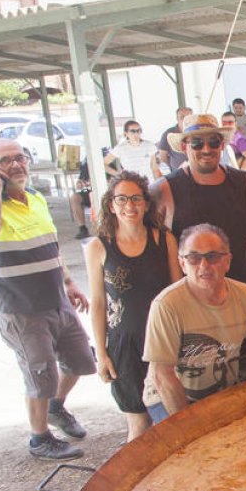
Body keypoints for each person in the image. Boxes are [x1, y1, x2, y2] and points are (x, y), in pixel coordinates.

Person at [0, 139, 96, 460]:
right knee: (40, 375)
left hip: (57, 300)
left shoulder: (36, 199)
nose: (15, 164)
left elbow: (51, 246)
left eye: (19, 158)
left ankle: (55, 407)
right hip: (22, 309)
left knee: (82, 360)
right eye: (5, 160)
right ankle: (40, 438)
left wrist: (69, 283)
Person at [142, 224, 246, 421]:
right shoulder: (167, 305)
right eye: (193, 258)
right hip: (167, 396)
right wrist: (187, 425)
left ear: (227, 261)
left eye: (212, 256)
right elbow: (161, 375)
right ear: (182, 264)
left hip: (222, 391)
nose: (203, 266)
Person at [84, 173, 181, 441]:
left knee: (173, 419)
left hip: (163, 342)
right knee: (139, 424)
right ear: (111, 205)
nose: (130, 206)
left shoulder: (165, 240)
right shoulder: (98, 247)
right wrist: (102, 353)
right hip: (124, 346)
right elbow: (99, 304)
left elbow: (178, 292)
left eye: (136, 198)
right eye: (122, 199)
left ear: (146, 204)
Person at [151, 114, 246, 301]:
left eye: (213, 142)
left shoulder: (245, 183)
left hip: (244, 293)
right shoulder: (164, 190)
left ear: (222, 145)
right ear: (184, 147)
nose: (206, 149)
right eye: (197, 143)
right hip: (193, 300)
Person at [153, 105, 192, 177]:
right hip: (177, 173)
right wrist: (172, 166)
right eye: (182, 117)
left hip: (197, 172)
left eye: (188, 117)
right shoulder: (168, 133)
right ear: (177, 119)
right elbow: (163, 156)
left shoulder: (198, 132)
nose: (185, 120)